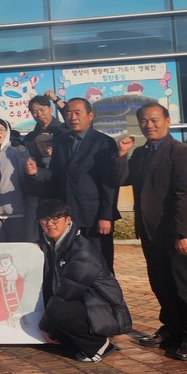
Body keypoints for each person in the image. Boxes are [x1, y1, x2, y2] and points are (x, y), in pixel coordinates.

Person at [116, 103, 187, 361]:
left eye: (154, 119)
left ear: (167, 121)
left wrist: (182, 234)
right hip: (151, 233)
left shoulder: (182, 152)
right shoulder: (141, 153)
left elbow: (186, 195)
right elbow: (122, 179)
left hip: (177, 234)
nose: (149, 125)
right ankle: (172, 329)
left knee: (185, 286)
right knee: (161, 284)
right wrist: (121, 154)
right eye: (144, 121)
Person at [26, 97, 120, 272]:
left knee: (100, 264)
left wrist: (106, 216)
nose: (73, 117)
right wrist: (37, 173)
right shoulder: (62, 141)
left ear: (90, 115)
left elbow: (109, 184)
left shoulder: (104, 142)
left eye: (77, 113)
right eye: (68, 113)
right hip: (66, 216)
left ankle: (104, 291)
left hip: (93, 217)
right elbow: (55, 174)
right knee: (71, 265)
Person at [36, 199, 132, 362]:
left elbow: (67, 294)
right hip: (87, 305)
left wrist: (45, 326)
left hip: (107, 311)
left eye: (55, 219)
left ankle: (99, 345)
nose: (50, 224)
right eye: (45, 220)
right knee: (58, 327)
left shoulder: (82, 251)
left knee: (58, 310)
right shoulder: (55, 244)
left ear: (68, 220)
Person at [0, 118, 31, 242]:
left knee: (15, 248)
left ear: (7, 132)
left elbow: (25, 178)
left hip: (15, 211)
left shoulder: (16, 152)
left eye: (1, 130)